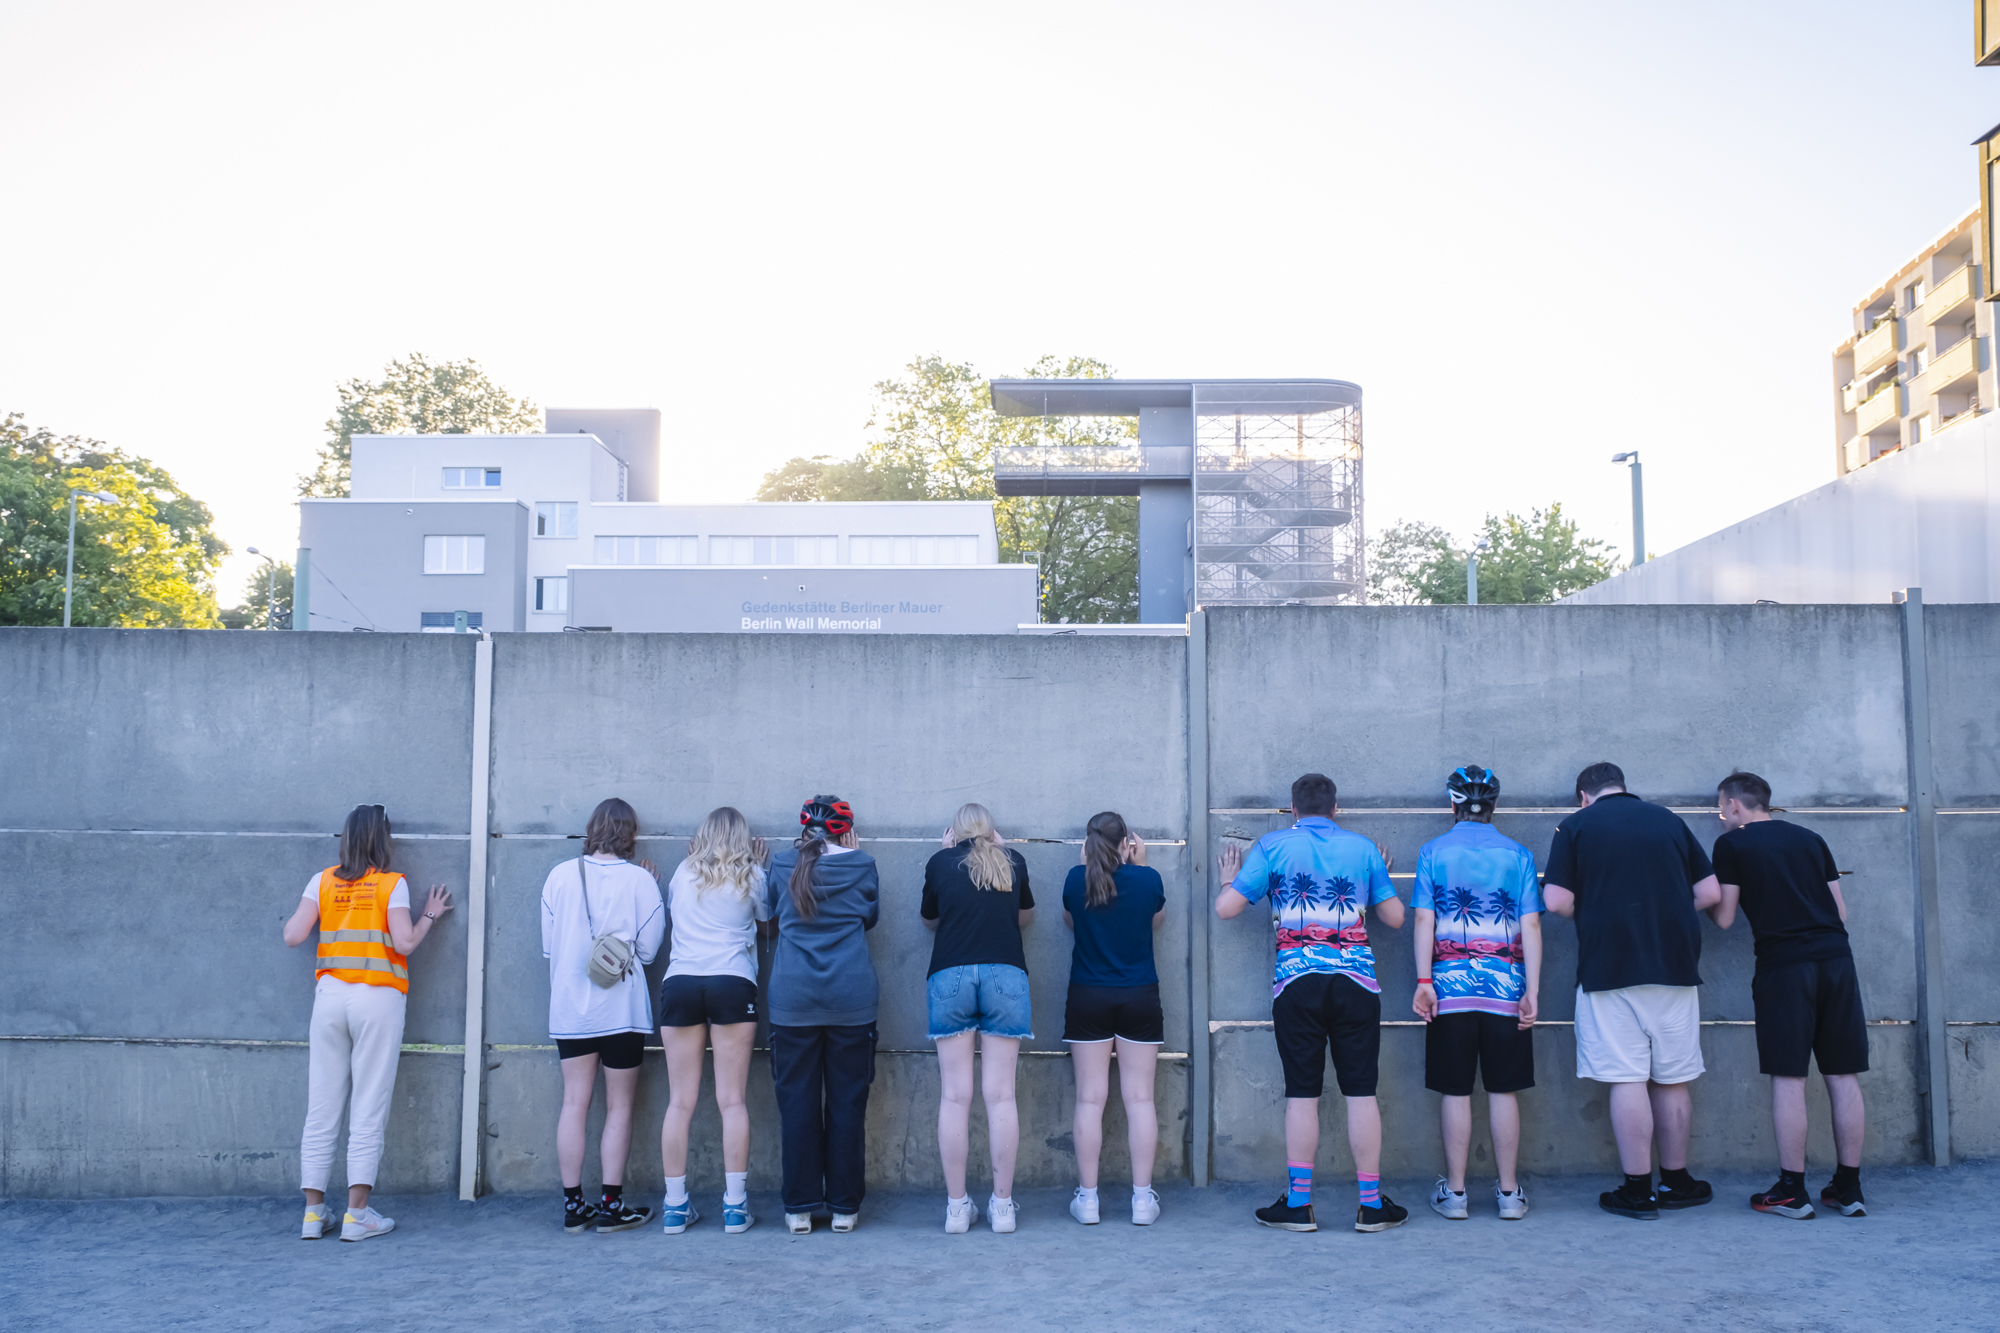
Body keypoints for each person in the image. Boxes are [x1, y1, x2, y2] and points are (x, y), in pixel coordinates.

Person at [1215, 773, 1409, 1234]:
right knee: (1361, 1091)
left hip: (1296, 984)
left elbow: (1226, 909)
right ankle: (1370, 1205)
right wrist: (1372, 876)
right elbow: (1397, 919)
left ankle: (1299, 1205)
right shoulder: (1362, 849)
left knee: (1302, 1093)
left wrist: (1228, 880)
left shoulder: (1272, 846)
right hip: (1356, 983)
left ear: (1292, 808)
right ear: (1335, 809)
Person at [1542, 762, 1721, 1222]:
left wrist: (1601, 910)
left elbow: (1557, 901)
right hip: (1675, 964)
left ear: (1584, 795)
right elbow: (1710, 891)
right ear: (1624, 788)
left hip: (1608, 968)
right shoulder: (1668, 820)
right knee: (1672, 1077)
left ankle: (1638, 1191)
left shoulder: (1576, 826)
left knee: (1627, 1078)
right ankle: (1677, 1181)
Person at [283, 803, 452, 1242]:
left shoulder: (321, 880)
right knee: (368, 1107)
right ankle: (357, 1216)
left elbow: (293, 935)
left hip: (330, 999)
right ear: (383, 840)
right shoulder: (390, 884)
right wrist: (430, 913)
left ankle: (314, 1213)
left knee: (321, 1107)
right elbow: (406, 941)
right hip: (377, 999)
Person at [1709, 772, 1869, 1220]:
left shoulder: (1732, 845)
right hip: (1837, 960)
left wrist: (1700, 897)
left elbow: (1723, 918)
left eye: (1721, 809)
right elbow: (1840, 910)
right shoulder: (1810, 838)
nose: (1721, 817)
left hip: (1785, 968)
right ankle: (1849, 1188)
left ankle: (1791, 1191)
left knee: (1789, 1077)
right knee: (1843, 1074)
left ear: (1735, 807)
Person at [1411, 766, 1542, 1222]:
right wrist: (1533, 990)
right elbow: (1531, 924)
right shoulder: (1519, 855)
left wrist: (1425, 981)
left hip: (1448, 991)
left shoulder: (1432, 852)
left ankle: (1458, 1194)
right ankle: (1508, 1194)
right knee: (1504, 1090)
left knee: (1456, 1090)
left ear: (1452, 804)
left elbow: (1425, 921)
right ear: (1495, 806)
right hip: (1508, 990)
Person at [540, 797, 665, 1235]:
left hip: (570, 1010)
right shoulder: (640, 881)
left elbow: (550, 949)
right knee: (620, 1105)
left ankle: (574, 1206)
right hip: (622, 1011)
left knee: (574, 1103)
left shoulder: (558, 876)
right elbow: (647, 953)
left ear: (591, 829)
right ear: (631, 833)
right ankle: (612, 1205)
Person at [766, 795, 881, 1235]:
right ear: (845, 831)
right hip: (852, 997)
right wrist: (853, 855)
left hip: (793, 999)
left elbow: (773, 914)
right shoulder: (863, 865)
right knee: (848, 1102)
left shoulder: (780, 864)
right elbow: (870, 917)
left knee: (796, 1103)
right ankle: (844, 1208)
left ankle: (798, 1208)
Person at [923, 801, 1035, 1235]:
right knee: (1001, 1096)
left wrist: (944, 858)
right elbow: (1025, 916)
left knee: (955, 1096)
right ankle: (1002, 1207)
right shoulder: (1013, 861)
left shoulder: (940, 862)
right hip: (1005, 973)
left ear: (954, 833)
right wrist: (1003, 853)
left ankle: (956, 1208)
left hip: (949, 974)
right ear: (992, 830)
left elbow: (929, 920)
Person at [658, 806, 770, 1235]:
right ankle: (736, 1207)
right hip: (731, 982)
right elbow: (767, 924)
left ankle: (674, 1206)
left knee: (679, 1102)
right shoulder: (752, 876)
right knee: (732, 1101)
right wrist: (756, 867)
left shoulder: (682, 873)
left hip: (682, 982)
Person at [1061, 811, 1167, 1227]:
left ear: (1087, 844)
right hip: (1139, 994)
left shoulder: (1075, 879)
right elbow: (1154, 921)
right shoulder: (1148, 879)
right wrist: (1139, 868)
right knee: (1139, 1098)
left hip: (1087, 994)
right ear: (1127, 843)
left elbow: (1071, 921)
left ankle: (1088, 1200)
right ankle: (1142, 1200)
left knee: (1090, 1099)